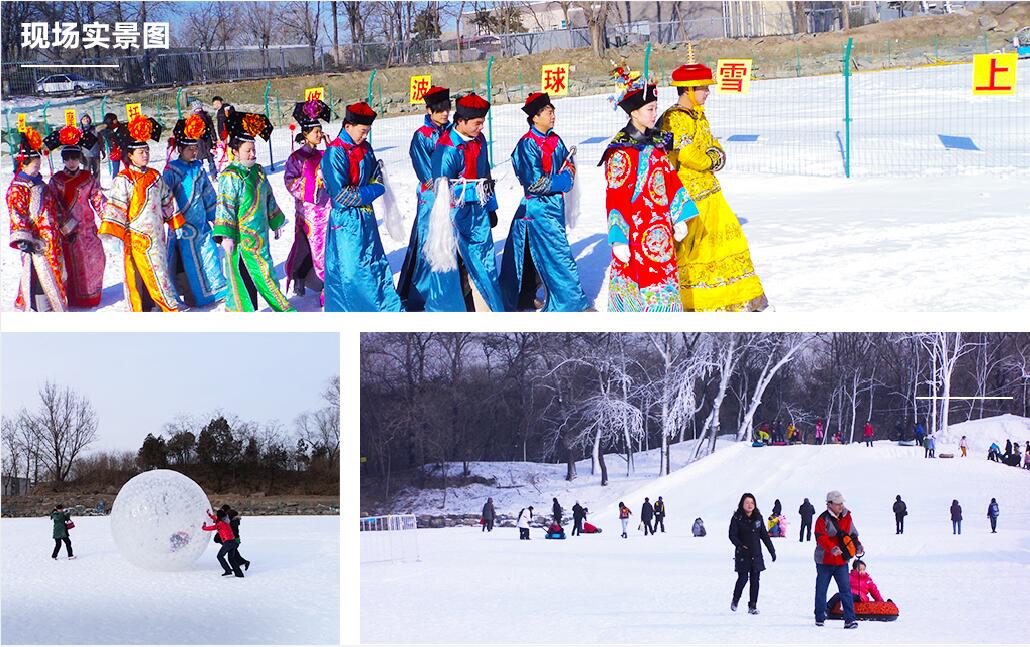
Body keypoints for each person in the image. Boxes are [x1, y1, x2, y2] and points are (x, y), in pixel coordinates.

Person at [659, 46, 767, 312]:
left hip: (710, 191)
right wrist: (710, 159)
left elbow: (713, 144)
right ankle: (699, 301)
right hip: (690, 195)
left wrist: (715, 155)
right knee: (697, 249)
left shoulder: (698, 115)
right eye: (704, 88)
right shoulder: (675, 118)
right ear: (688, 89)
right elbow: (688, 155)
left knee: (728, 242)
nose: (708, 92)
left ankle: (738, 296)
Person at [602, 74, 698, 311]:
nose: (655, 114)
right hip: (635, 235)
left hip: (661, 233)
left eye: (656, 108)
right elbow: (616, 197)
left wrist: (679, 216)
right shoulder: (622, 151)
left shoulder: (656, 144)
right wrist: (618, 238)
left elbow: (670, 181)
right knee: (639, 291)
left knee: (664, 287)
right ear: (634, 112)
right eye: (650, 109)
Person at [498, 92, 589, 312]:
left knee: (529, 256)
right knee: (559, 255)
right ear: (535, 118)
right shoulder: (527, 145)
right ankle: (573, 304)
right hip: (537, 208)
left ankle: (525, 296)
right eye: (548, 112)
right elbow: (535, 184)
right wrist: (563, 180)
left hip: (554, 206)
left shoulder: (555, 139)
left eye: (553, 111)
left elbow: (569, 165)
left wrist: (565, 176)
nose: (553, 115)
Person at [423, 93, 505, 312]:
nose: (480, 128)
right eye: (477, 124)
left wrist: (491, 207)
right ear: (461, 121)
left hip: (478, 215)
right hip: (454, 217)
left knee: (484, 264)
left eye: (482, 123)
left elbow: (485, 175)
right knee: (456, 267)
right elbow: (442, 191)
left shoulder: (479, 141)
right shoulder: (447, 149)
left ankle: (486, 308)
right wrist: (474, 191)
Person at [320, 101, 402, 312]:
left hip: (365, 217)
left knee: (375, 262)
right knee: (353, 271)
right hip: (346, 221)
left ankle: (383, 306)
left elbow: (375, 174)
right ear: (348, 126)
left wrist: (372, 188)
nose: (365, 136)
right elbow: (342, 195)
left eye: (367, 132)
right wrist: (374, 190)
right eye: (362, 131)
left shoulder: (365, 148)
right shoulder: (334, 153)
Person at [99, 113, 184, 312]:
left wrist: (174, 221)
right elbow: (117, 205)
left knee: (159, 270)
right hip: (136, 235)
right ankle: (153, 306)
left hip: (157, 235)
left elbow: (167, 200)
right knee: (139, 272)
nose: (145, 155)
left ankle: (160, 303)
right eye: (140, 152)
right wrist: (116, 233)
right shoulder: (124, 178)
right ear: (130, 155)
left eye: (146, 151)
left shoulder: (155, 175)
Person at [213, 110, 295, 312]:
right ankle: (280, 310)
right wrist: (226, 236)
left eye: (254, 149)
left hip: (261, 235)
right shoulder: (230, 176)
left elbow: (268, 196)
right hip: (242, 240)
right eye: (248, 150)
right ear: (235, 151)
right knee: (253, 276)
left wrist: (275, 221)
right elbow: (225, 206)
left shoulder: (258, 170)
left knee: (263, 273)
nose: (253, 154)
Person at [163, 114, 227, 307]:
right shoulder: (171, 171)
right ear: (179, 149)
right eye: (189, 149)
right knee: (184, 262)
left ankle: (215, 292)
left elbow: (208, 194)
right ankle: (191, 295)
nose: (194, 152)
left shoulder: (199, 168)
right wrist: (174, 219)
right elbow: (166, 198)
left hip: (201, 223)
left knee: (210, 256)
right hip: (182, 226)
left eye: (196, 148)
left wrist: (216, 218)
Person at [397, 86, 452, 311]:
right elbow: (424, 171)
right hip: (432, 197)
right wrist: (442, 190)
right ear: (429, 110)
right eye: (439, 110)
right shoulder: (422, 135)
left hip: (452, 195)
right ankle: (421, 294)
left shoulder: (451, 132)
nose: (445, 114)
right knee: (427, 242)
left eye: (447, 109)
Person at [8, 128, 71, 311]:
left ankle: (55, 303)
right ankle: (40, 305)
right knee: (38, 272)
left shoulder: (41, 185)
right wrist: (23, 239)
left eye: (39, 166)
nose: (38, 170)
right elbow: (16, 213)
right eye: (35, 166)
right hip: (35, 240)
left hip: (52, 238)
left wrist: (66, 228)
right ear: (24, 166)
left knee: (55, 270)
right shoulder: (17, 189)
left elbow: (55, 207)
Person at [44, 124, 106, 309]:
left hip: (87, 231)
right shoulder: (56, 180)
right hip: (66, 233)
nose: (71, 162)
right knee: (69, 266)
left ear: (80, 158)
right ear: (63, 159)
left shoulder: (88, 177)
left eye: (75, 158)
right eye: (68, 158)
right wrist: (64, 225)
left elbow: (99, 200)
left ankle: (90, 298)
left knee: (93, 263)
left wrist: (110, 220)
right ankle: (70, 298)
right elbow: (52, 205)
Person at [284, 98, 332, 300]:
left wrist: (332, 151)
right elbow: (289, 181)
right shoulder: (296, 158)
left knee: (325, 246)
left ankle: (314, 280)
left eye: (320, 131)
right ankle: (308, 280)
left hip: (326, 207)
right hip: (308, 210)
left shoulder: (324, 153)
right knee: (308, 246)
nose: (320, 135)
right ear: (305, 134)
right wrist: (312, 185)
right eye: (316, 132)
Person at [814, 490, 862, 629]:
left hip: (841, 561)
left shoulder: (847, 516)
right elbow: (820, 537)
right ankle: (819, 616)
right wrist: (832, 548)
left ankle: (850, 619)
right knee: (821, 589)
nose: (841, 506)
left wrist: (858, 545)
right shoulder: (822, 519)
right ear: (829, 504)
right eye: (837, 504)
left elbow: (853, 534)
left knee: (846, 590)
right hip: (824, 561)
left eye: (842, 503)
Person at [728, 492, 776, 614]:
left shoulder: (758, 518)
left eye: (752, 503)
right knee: (743, 578)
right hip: (743, 553)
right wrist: (739, 545)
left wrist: (772, 550)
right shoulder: (737, 518)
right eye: (747, 503)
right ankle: (735, 599)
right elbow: (732, 535)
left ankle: (752, 606)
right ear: (742, 504)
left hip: (756, 554)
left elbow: (764, 535)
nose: (750, 505)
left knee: (755, 580)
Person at [202, 508, 244, 577]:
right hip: (233, 542)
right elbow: (216, 519)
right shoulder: (226, 521)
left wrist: (204, 527)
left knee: (220, 556)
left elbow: (212, 527)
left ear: (219, 516)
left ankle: (228, 570)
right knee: (231, 558)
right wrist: (209, 515)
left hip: (228, 542)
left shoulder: (220, 524)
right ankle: (239, 574)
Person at [222, 506, 251, 571]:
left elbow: (235, 533)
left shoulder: (233, 523)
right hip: (233, 540)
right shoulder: (233, 521)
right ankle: (240, 564)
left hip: (233, 540)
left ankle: (241, 565)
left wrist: (237, 540)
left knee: (232, 554)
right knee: (234, 553)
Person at [101, 112, 123, 177]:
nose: (116, 120)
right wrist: (113, 131)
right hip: (114, 151)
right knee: (116, 169)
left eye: (116, 119)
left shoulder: (120, 126)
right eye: (114, 119)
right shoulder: (106, 129)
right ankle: (115, 182)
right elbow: (109, 135)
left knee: (129, 167)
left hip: (123, 149)